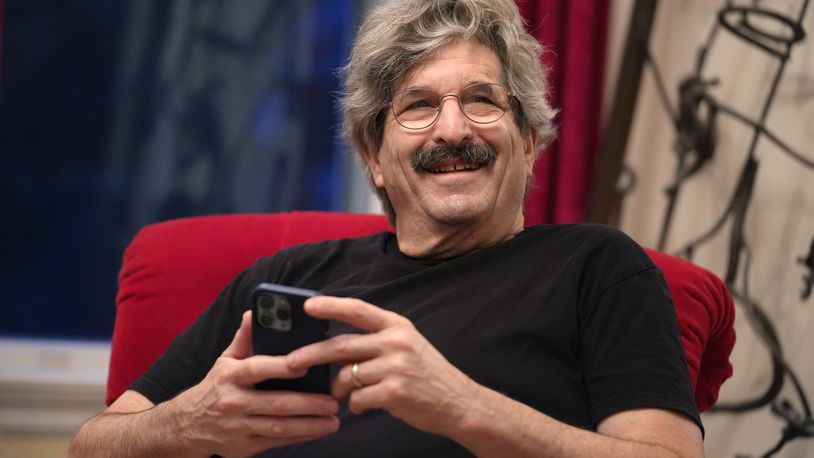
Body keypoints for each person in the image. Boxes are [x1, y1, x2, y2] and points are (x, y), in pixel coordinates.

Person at [69, 0, 705, 456]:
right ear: (372, 154)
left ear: (530, 140)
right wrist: (191, 422)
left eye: (481, 101)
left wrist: (461, 407)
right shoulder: (289, 280)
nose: (452, 130)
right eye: (419, 107)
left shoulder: (596, 269)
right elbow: (90, 446)